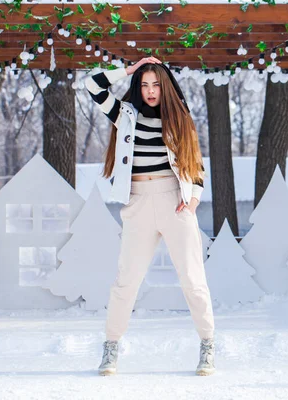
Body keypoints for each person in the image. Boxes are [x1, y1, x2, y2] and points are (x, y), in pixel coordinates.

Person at [86, 57, 215, 377]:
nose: (150, 90)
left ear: (166, 85)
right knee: (125, 281)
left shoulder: (181, 118)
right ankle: (111, 347)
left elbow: (195, 164)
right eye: (143, 85)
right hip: (138, 203)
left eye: (156, 84)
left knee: (193, 280)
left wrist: (194, 200)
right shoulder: (125, 115)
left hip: (176, 202)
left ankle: (208, 345)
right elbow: (92, 84)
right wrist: (129, 69)